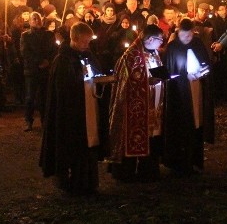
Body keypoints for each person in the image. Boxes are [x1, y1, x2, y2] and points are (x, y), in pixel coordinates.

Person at [39, 22, 101, 195]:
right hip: (70, 112)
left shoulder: (87, 55)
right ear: (74, 39)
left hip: (87, 107)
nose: (86, 45)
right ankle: (67, 179)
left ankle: (87, 179)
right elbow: (62, 89)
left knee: (87, 144)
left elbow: (96, 72)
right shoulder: (63, 60)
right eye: (84, 42)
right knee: (70, 145)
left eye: (88, 42)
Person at [108, 24, 166, 182]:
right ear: (150, 39)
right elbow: (126, 82)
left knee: (150, 137)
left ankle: (147, 170)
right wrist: (148, 81)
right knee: (132, 136)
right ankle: (126, 173)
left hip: (152, 104)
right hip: (133, 107)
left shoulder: (154, 52)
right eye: (160, 40)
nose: (162, 43)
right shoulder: (132, 56)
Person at [163, 19, 215, 175]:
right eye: (184, 34)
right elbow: (168, 70)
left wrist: (200, 74)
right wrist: (181, 77)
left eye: (190, 34)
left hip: (196, 90)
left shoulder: (198, 44)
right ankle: (178, 162)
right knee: (180, 124)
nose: (187, 37)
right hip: (178, 93)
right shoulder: (172, 47)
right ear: (178, 32)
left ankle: (194, 160)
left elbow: (207, 66)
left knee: (195, 123)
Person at [20, 12, 57, 131]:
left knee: (44, 97)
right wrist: (39, 62)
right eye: (34, 19)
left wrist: (48, 61)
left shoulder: (49, 35)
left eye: (38, 19)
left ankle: (45, 121)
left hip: (45, 70)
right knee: (30, 97)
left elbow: (53, 50)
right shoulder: (25, 36)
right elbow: (25, 52)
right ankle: (28, 121)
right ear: (30, 21)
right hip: (32, 70)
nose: (36, 21)